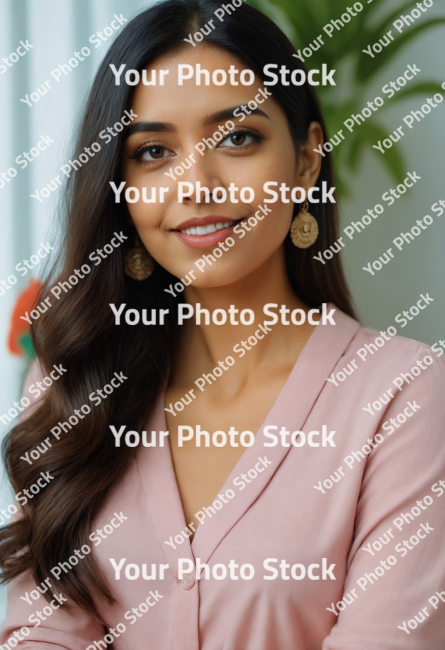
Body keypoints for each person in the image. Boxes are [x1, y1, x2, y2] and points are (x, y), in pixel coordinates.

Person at [1, 1, 445, 648]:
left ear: (304, 160)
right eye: (152, 151)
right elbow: (43, 634)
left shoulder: (404, 394)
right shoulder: (75, 377)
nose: (195, 184)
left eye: (237, 138)